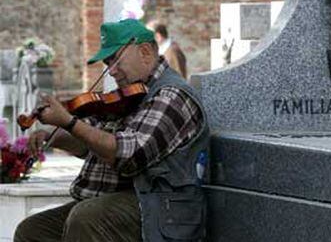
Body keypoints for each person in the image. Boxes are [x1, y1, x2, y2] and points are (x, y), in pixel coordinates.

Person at [14, 18, 209, 242]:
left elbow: (129, 155)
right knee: (32, 231)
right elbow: (93, 145)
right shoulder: (130, 94)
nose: (111, 71)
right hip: (126, 200)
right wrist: (55, 137)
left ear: (145, 52)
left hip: (161, 209)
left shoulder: (172, 95)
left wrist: (69, 121)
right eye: (107, 63)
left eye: (115, 60)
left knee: (86, 218)